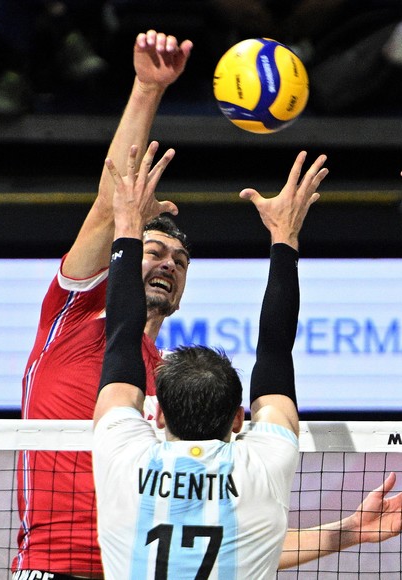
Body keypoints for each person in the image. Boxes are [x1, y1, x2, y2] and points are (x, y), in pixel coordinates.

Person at [14, 29, 402, 579]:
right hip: (51, 568)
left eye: (180, 261)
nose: (168, 264)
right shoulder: (71, 320)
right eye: (154, 252)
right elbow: (110, 203)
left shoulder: (177, 387)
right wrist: (147, 89)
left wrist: (346, 533)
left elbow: (227, 541)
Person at [93, 138, 318, 577]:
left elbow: (120, 339)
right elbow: (275, 352)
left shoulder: (124, 459)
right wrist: (284, 237)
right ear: (237, 420)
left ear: (158, 416)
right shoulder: (262, 468)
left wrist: (127, 224)